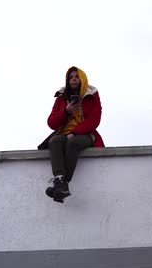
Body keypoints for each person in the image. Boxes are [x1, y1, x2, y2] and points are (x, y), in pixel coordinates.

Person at [37, 66, 104, 203]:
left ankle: (62, 185)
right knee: (55, 141)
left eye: (76, 76)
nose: (73, 79)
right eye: (71, 77)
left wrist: (74, 133)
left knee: (73, 142)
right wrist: (66, 111)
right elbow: (51, 123)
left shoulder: (92, 94)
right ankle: (60, 181)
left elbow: (94, 120)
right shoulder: (61, 97)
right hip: (63, 133)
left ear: (82, 79)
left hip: (85, 133)